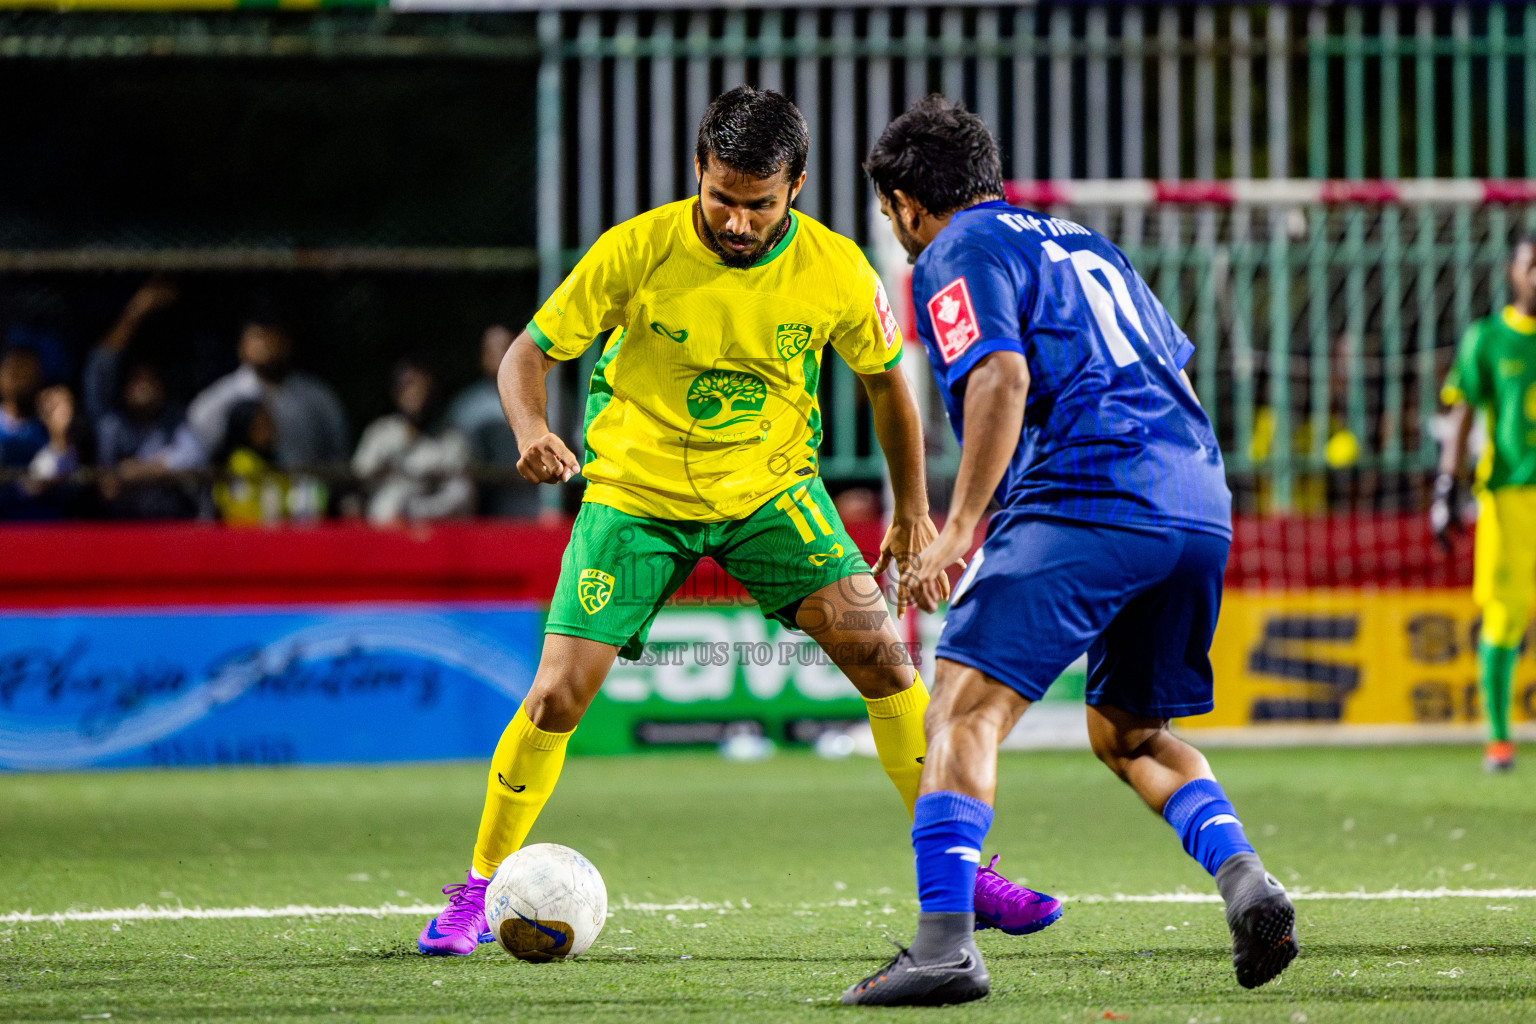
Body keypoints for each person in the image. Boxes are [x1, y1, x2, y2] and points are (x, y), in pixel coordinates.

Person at [416, 86, 1060, 957]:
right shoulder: (635, 250)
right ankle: (477, 889)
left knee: (887, 663)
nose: (738, 221)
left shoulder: (835, 269)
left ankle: (963, 872)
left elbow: (886, 385)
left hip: (772, 496)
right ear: (698, 172)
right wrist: (532, 431)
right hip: (636, 498)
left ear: (794, 186)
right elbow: (529, 354)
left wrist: (913, 509)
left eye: (759, 204)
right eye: (722, 197)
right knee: (558, 692)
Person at [844, 96, 1297, 1006]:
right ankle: (1248, 881)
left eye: (893, 215)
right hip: (1199, 497)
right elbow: (1171, 363)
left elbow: (1002, 376)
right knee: (1127, 731)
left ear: (904, 203)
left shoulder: (955, 251)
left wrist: (962, 525)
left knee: (960, 710)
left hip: (1095, 489)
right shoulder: (1087, 245)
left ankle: (943, 948)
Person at [1433, 238, 1536, 772]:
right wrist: (1445, 487)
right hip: (1509, 498)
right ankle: (1499, 738)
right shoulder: (1489, 338)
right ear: (1513, 273)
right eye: (1531, 265)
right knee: (1505, 618)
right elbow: (1462, 414)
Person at [187, 319, 349, 472]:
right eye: (258, 336)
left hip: (307, 494)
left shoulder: (317, 396)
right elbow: (196, 456)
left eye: (274, 335)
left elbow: (338, 452)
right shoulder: (217, 400)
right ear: (242, 345)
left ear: (288, 341)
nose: (267, 343)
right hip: (238, 495)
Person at [352, 357, 475, 524]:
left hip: (431, 521)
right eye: (408, 386)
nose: (415, 393)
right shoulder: (381, 432)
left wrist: (417, 510)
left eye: (422, 387)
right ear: (397, 393)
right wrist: (399, 446)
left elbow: (461, 492)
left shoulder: (449, 437)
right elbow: (360, 473)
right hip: (386, 522)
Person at [445, 325, 541, 517]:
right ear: (482, 356)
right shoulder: (465, 408)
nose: (498, 355)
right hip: (483, 511)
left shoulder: (548, 398)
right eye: (491, 350)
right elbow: (458, 465)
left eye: (505, 347)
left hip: (536, 507)